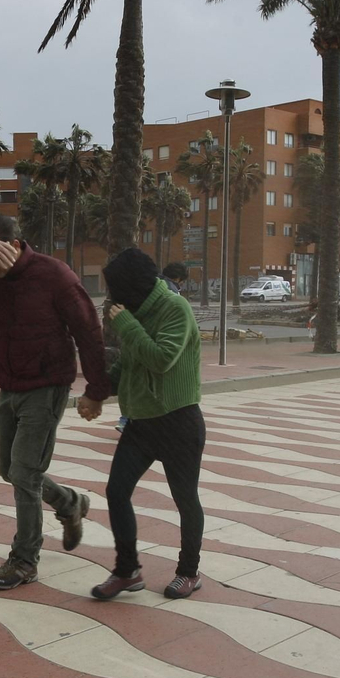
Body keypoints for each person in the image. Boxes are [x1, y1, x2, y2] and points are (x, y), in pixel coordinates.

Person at [0, 214, 111, 589]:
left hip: (48, 385)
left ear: (15, 246)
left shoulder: (55, 275)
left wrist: (96, 390)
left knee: (24, 473)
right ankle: (69, 503)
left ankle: (24, 561)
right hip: (10, 385)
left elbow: (89, 332)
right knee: (10, 469)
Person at [79, 248, 206, 601]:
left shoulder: (174, 309)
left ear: (134, 288)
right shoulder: (135, 312)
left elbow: (162, 359)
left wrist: (127, 325)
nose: (111, 298)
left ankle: (188, 572)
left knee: (185, 498)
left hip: (178, 420)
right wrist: (97, 394)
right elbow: (130, 365)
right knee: (116, 491)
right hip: (142, 423)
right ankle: (127, 570)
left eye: (115, 289)